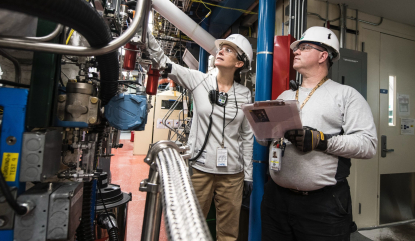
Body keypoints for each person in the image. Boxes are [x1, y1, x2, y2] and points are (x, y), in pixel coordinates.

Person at [261, 26, 378, 241]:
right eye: (296, 48)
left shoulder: (346, 95)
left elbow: (368, 144)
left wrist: (321, 140)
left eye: (304, 47)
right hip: (276, 200)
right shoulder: (286, 95)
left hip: (323, 206)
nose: (295, 51)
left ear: (323, 55)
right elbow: (270, 137)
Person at [147, 31, 255, 241]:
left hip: (233, 175)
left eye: (229, 50)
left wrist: (248, 175)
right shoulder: (198, 80)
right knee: (190, 230)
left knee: (228, 234)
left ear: (239, 64)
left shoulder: (244, 94)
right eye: (221, 48)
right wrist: (146, 35)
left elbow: (246, 136)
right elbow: (164, 63)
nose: (221, 51)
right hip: (200, 171)